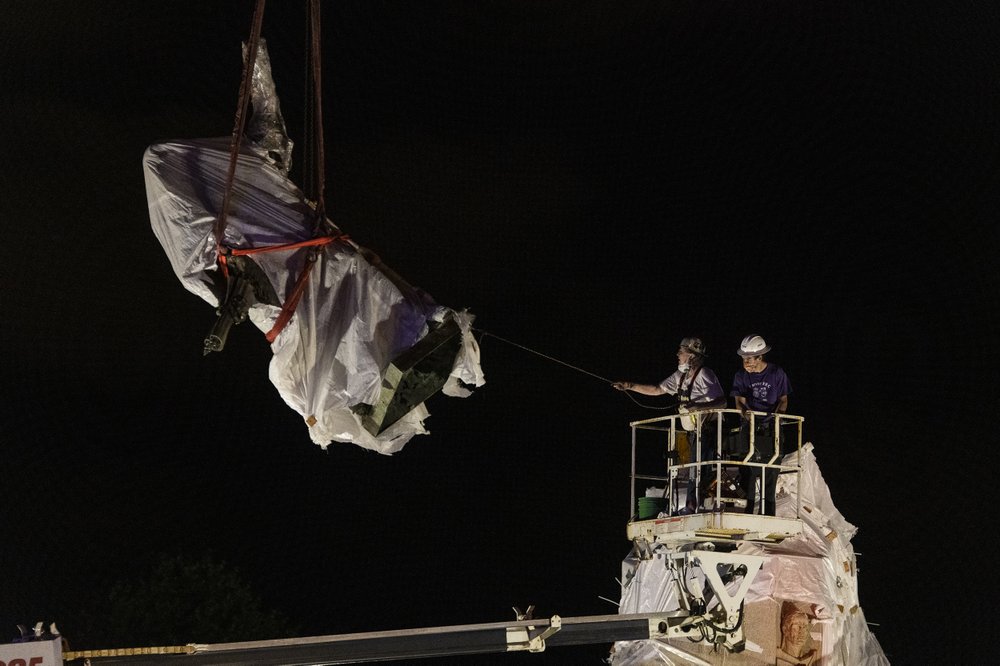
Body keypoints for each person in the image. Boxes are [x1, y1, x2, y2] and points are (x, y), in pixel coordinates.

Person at [613, 337, 725, 511]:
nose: (678, 355)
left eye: (681, 352)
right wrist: (629, 386)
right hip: (692, 431)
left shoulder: (704, 374)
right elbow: (657, 389)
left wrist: (698, 406)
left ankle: (693, 505)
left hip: (708, 430)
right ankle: (693, 503)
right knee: (692, 468)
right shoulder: (680, 376)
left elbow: (722, 402)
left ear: (692, 356)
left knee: (698, 469)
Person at [730, 334, 792, 515]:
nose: (746, 363)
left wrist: (777, 417)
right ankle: (747, 513)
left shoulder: (776, 373)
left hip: (772, 428)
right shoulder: (741, 376)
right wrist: (746, 415)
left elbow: (783, 400)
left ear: (760, 357)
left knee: (771, 472)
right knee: (748, 471)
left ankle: (768, 513)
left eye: (750, 359)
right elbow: (739, 401)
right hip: (749, 427)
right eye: (743, 359)